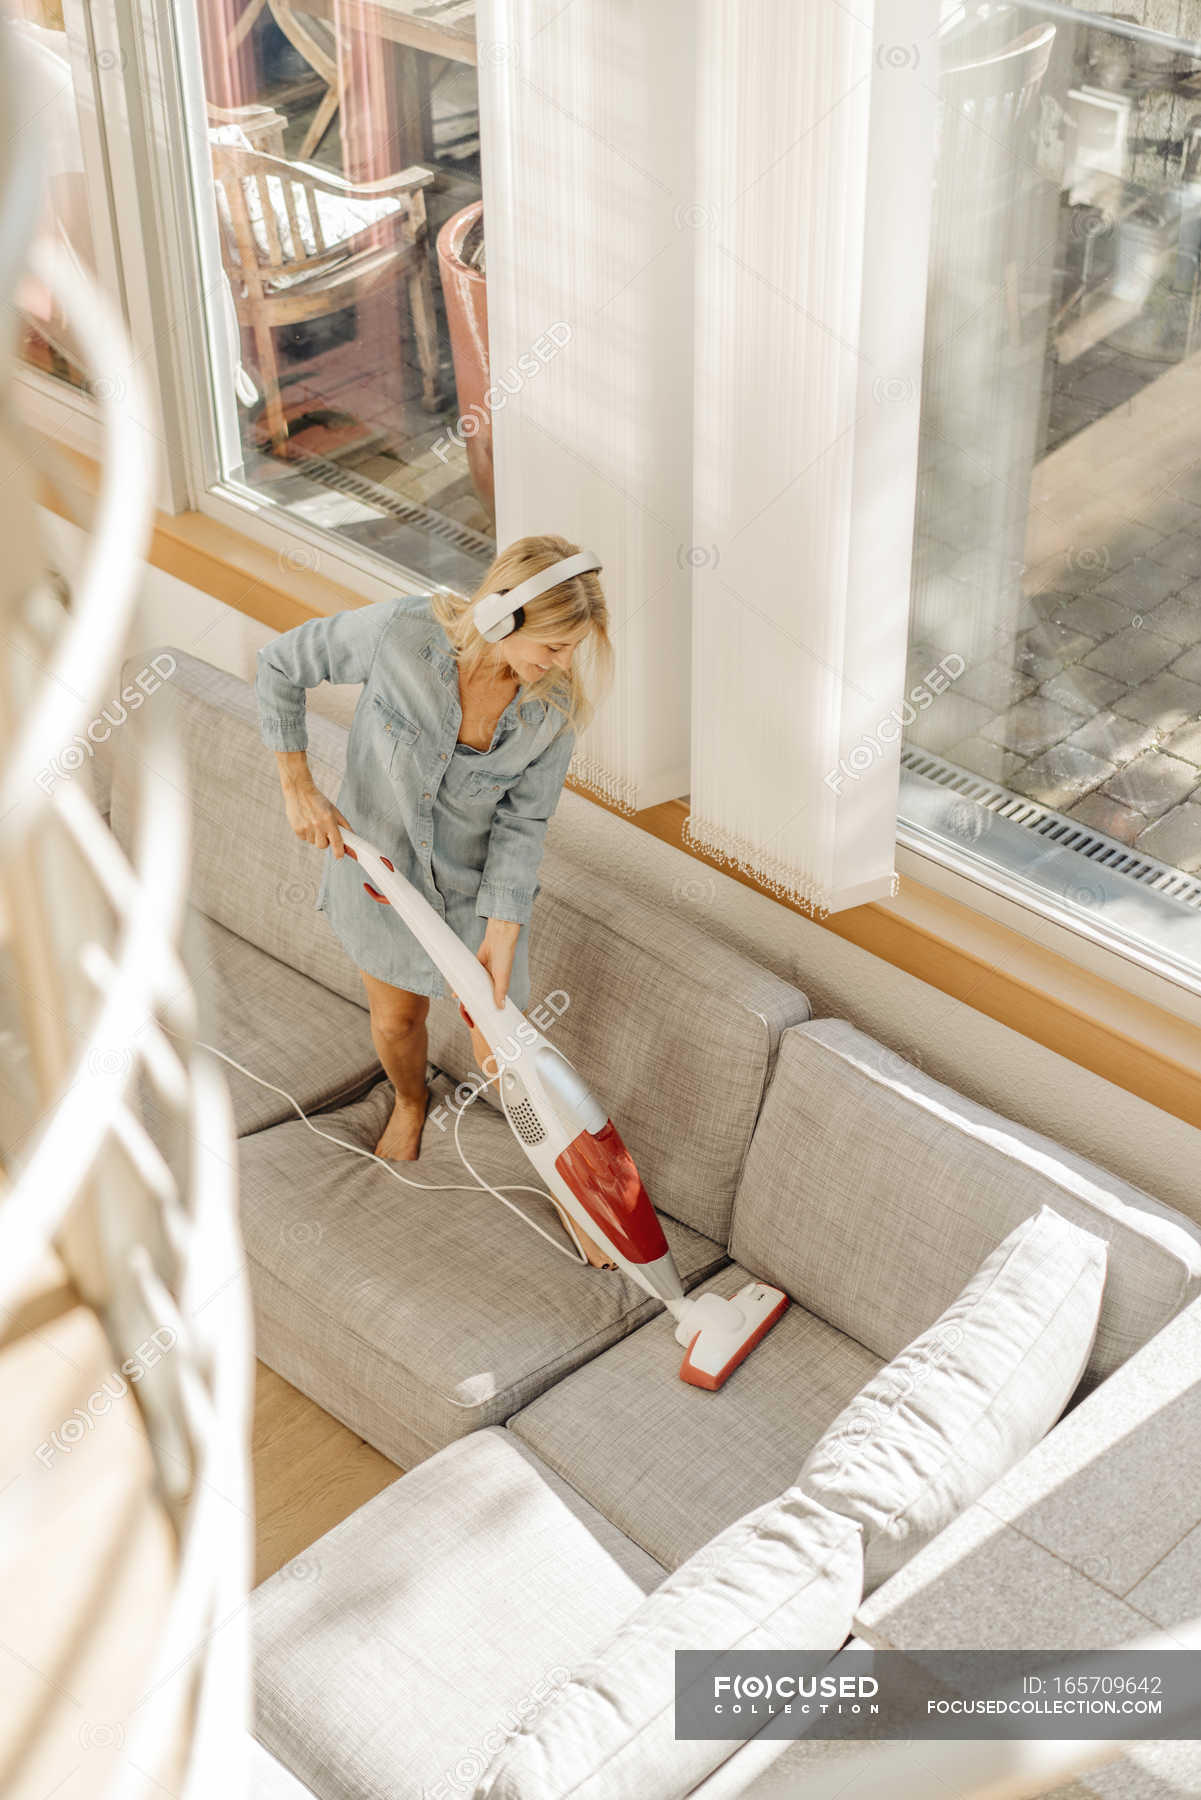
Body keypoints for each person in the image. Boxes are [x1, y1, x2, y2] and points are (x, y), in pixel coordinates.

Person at [255, 534, 615, 1258]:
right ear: (502, 619)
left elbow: (524, 819)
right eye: (553, 644)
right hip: (380, 878)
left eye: (573, 647)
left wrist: (504, 925)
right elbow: (279, 665)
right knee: (396, 1022)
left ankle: (571, 1190)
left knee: (508, 1055)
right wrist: (299, 788)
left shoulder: (552, 711)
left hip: (473, 893)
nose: (562, 662)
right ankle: (412, 1100)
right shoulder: (401, 632)